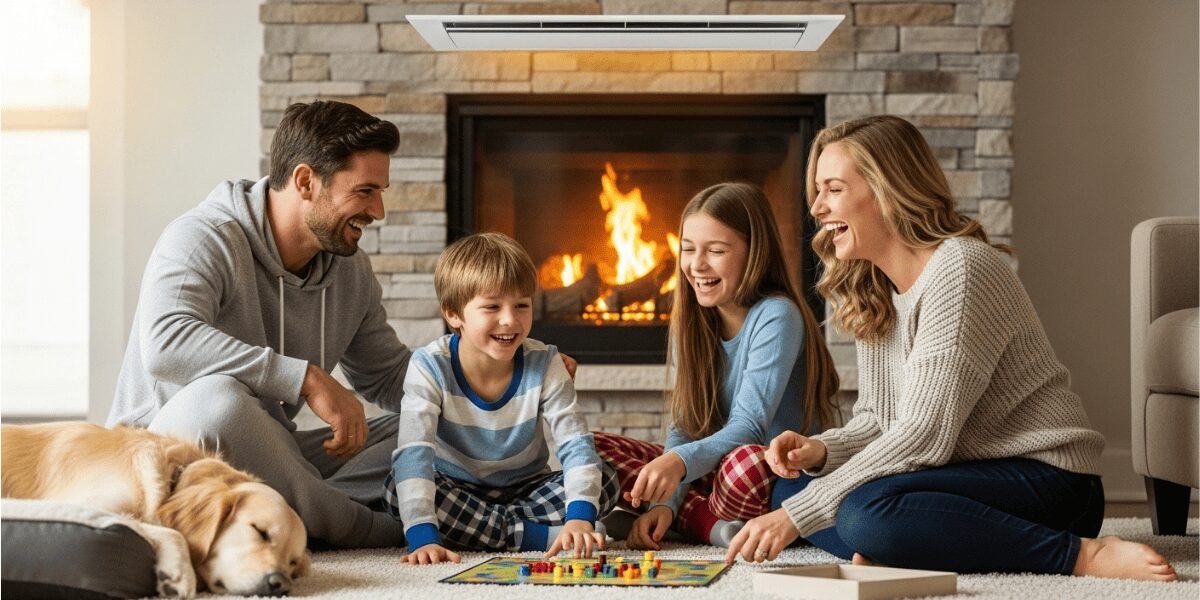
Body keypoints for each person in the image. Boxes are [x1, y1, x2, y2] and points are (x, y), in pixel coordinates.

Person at [725, 115, 1178, 583]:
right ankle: (912, 542)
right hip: (963, 477)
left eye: (833, 189)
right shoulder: (877, 287)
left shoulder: (961, 268)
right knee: (788, 490)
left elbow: (924, 434)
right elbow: (881, 422)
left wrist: (800, 517)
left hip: (1049, 481)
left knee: (860, 512)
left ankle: (1080, 555)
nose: (817, 208)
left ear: (887, 190)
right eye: (817, 191)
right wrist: (819, 451)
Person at [107, 100, 410, 548]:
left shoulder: (350, 271)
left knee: (437, 422)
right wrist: (306, 379)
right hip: (169, 458)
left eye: (381, 192)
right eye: (365, 191)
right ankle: (350, 525)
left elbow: (389, 374)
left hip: (273, 457)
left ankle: (283, 513)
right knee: (218, 400)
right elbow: (166, 343)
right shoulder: (202, 236)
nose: (379, 211)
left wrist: (507, 376)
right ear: (306, 181)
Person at [593, 182, 842, 550]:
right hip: (709, 475)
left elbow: (750, 427)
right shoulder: (691, 322)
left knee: (743, 465)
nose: (697, 265)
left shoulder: (777, 315)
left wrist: (677, 464)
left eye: (717, 250)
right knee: (591, 449)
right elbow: (685, 426)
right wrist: (665, 500)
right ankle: (700, 520)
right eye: (688, 249)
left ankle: (696, 521)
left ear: (753, 253)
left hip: (773, 476)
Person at [383, 233, 619, 565]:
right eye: (492, 306)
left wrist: (578, 519)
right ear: (454, 314)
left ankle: (490, 533)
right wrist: (423, 538)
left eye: (521, 305)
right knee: (397, 487)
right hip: (457, 488)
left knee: (605, 478)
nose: (510, 320)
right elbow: (414, 452)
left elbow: (575, 444)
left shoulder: (546, 363)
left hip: (526, 490)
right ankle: (533, 536)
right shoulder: (429, 366)